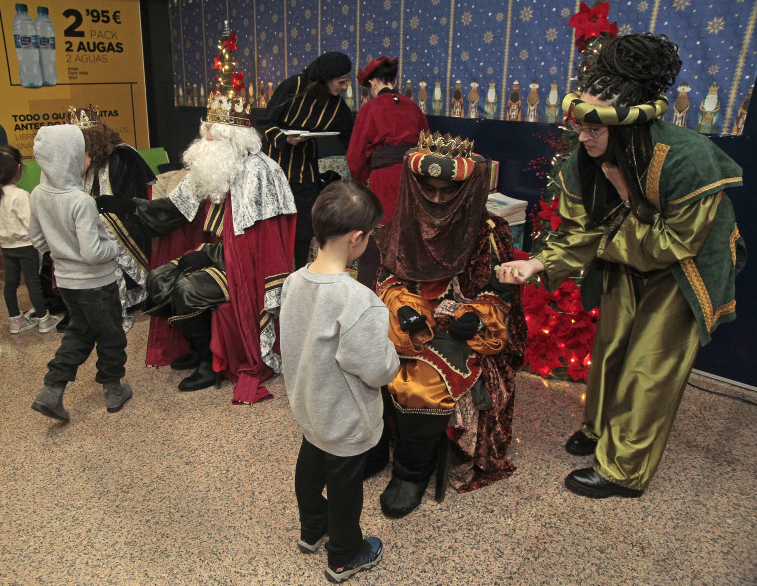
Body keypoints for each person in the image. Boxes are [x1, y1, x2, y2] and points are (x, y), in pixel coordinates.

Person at [497, 33, 746, 499]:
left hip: (684, 268)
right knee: (610, 349)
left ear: (628, 127)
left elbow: (675, 241)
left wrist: (630, 196)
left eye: (595, 128)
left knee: (648, 365)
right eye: (581, 126)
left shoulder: (688, 159)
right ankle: (600, 431)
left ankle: (623, 469)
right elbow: (579, 231)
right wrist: (537, 264)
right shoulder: (585, 159)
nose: (583, 136)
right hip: (628, 255)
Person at [373, 130, 526, 518]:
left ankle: (411, 473)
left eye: (448, 192)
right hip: (406, 320)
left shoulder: (490, 233)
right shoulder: (402, 224)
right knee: (356, 360)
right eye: (430, 190)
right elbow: (387, 278)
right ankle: (371, 452)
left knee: (420, 383)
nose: (438, 201)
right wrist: (401, 303)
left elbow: (502, 295)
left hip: (465, 335)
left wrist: (473, 316)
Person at [120, 91, 297, 404]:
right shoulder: (211, 166)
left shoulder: (262, 172)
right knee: (159, 279)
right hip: (214, 252)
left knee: (190, 289)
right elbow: (176, 208)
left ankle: (208, 362)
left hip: (245, 266)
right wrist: (127, 207)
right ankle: (196, 347)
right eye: (206, 135)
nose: (206, 143)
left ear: (233, 139)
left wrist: (210, 255)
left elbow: (263, 242)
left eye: (213, 137)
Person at [279, 180, 399, 583]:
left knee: (310, 466)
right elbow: (377, 369)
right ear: (357, 238)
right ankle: (345, 554)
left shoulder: (293, 281)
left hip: (308, 403)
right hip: (345, 416)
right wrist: (393, 356)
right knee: (345, 486)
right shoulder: (359, 300)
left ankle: (312, 530)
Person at [28, 124, 132, 421]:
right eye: (83, 152)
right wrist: (113, 247)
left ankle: (52, 389)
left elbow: (38, 241)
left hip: (66, 283)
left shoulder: (37, 194)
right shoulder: (81, 201)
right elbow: (92, 253)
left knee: (79, 333)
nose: (88, 157)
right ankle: (113, 389)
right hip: (97, 283)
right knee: (111, 335)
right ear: (68, 158)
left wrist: (62, 251)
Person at [253, 51, 355, 268]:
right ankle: (272, 271)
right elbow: (263, 123)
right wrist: (284, 137)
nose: (344, 87)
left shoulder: (335, 103)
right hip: (277, 168)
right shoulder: (293, 86)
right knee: (275, 224)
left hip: (306, 171)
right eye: (341, 82)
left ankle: (299, 273)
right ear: (326, 78)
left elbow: (351, 133)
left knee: (303, 229)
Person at [80, 116, 156, 333]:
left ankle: (115, 306)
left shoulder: (122, 156)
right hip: (101, 215)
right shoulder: (94, 160)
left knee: (101, 233)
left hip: (124, 219)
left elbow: (132, 201)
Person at [0, 146, 60, 335]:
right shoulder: (21, 196)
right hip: (26, 247)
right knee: (33, 281)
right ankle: (43, 318)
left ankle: (15, 320)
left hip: (6, 247)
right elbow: (32, 224)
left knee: (11, 283)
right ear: (18, 168)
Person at [346, 55, 429, 223]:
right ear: (395, 81)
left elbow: (354, 158)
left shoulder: (369, 109)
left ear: (372, 82)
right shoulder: (414, 108)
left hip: (384, 179)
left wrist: (362, 179)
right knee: (410, 226)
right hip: (414, 176)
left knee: (385, 229)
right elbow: (428, 146)